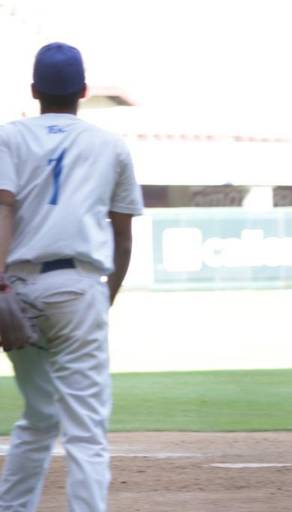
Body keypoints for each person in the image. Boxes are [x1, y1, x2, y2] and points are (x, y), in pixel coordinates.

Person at [0, 42, 143, 510]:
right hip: (78, 288)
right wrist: (109, 296)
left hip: (18, 287)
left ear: (34, 90)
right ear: (83, 91)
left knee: (39, 416)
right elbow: (122, 240)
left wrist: (0, 288)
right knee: (85, 429)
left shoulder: (9, 137)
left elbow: (3, 213)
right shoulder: (110, 146)